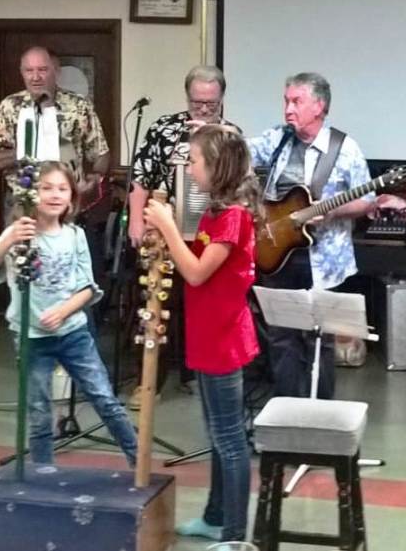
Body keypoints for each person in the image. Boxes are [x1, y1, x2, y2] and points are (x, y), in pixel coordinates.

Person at [0, 161, 137, 467]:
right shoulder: (19, 234)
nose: (54, 195)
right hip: (32, 337)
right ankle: (43, 473)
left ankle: (137, 462)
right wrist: (8, 240)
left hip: (73, 333)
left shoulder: (74, 236)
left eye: (62, 189)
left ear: (72, 197)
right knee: (38, 410)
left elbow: (89, 288)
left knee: (104, 397)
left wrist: (63, 311)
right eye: (46, 188)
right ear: (31, 194)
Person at [142, 125, 260, 543]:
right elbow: (190, 258)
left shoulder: (234, 217)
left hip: (225, 340)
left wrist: (168, 226)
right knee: (216, 435)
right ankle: (214, 517)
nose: (189, 171)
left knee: (230, 440)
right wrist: (164, 236)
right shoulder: (214, 211)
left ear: (217, 166)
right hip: (208, 336)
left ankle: (235, 533)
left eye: (194, 162)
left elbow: (195, 274)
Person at [247, 72, 375, 399]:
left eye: (296, 101)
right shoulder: (278, 138)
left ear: (319, 106)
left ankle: (320, 414)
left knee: (320, 340)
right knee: (281, 338)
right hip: (277, 254)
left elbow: (367, 201)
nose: (288, 109)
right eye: (286, 100)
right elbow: (240, 153)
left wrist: (332, 211)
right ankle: (286, 408)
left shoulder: (344, 148)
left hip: (323, 261)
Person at [125, 65, 239, 408]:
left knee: (203, 307)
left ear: (221, 99)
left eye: (211, 104)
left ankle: (196, 374)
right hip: (166, 230)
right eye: (197, 103)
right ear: (187, 97)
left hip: (211, 235)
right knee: (156, 304)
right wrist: (135, 221)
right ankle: (148, 382)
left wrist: (215, 133)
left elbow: (240, 185)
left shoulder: (230, 134)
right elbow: (141, 178)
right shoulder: (165, 129)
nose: (204, 110)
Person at [0, 46, 111, 279]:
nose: (36, 76)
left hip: (66, 205)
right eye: (29, 70)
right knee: (23, 274)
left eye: (42, 70)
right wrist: (30, 148)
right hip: (23, 204)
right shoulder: (9, 106)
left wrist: (94, 178)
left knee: (68, 274)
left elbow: (101, 153)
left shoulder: (79, 106)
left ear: (55, 72)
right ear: (22, 73)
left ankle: (66, 315)